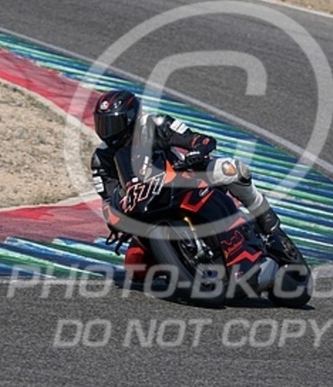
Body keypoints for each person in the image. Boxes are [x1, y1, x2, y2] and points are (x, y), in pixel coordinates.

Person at [90, 89, 297, 281]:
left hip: (182, 179)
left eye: (113, 124)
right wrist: (118, 215)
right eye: (103, 124)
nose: (109, 132)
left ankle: (269, 224)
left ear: (131, 118)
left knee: (233, 170)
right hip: (145, 205)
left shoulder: (154, 124)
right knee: (135, 268)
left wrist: (197, 151)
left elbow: (197, 139)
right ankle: (181, 266)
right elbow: (109, 197)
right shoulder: (101, 158)